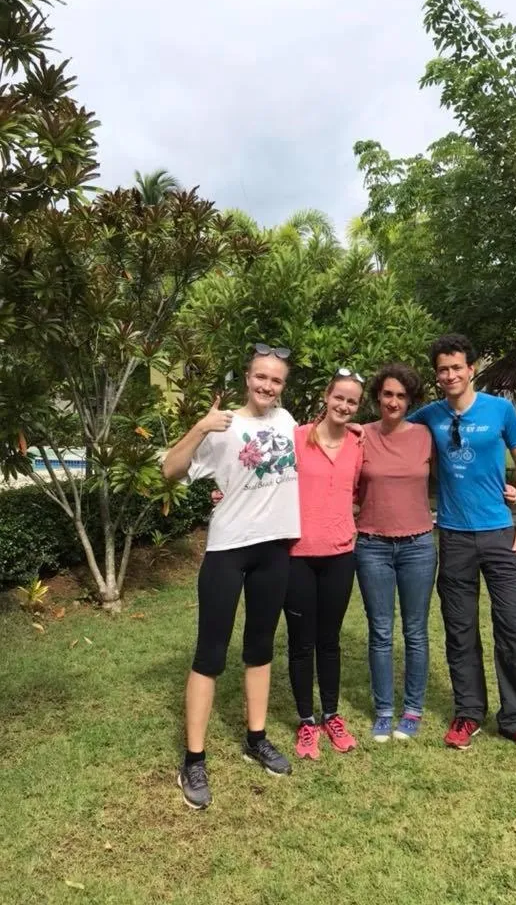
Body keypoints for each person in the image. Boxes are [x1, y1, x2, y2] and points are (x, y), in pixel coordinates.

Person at [163, 343, 299, 810]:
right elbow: (168, 470)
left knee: (260, 648)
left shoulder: (288, 423)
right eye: (261, 377)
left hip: (275, 549)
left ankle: (255, 738)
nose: (267, 385)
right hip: (227, 551)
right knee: (210, 653)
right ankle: (193, 759)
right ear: (247, 377)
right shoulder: (223, 426)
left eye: (276, 380)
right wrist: (200, 425)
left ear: (283, 386)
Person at [407, 333, 516, 758]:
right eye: (442, 369)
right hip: (453, 537)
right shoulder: (430, 416)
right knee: (460, 629)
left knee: (512, 629)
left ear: (471, 368)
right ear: (437, 375)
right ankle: (468, 712)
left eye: (457, 367)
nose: (450, 374)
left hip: (499, 535)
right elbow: (390, 426)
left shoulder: (500, 410)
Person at [354, 363, 516, 744]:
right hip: (372, 545)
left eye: (401, 395)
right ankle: (383, 710)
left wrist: (504, 488)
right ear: (377, 396)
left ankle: (412, 708)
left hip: (418, 545)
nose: (393, 401)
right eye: (387, 394)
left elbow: (467, 464)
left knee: (415, 631)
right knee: (380, 631)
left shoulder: (427, 435)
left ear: (410, 400)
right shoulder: (360, 436)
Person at [287, 369, 365, 760]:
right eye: (339, 398)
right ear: (326, 396)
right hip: (297, 556)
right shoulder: (297, 438)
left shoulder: (358, 443)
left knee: (329, 640)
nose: (344, 406)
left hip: (339, 554)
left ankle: (331, 714)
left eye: (352, 402)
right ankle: (305, 720)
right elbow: (264, 475)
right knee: (301, 643)